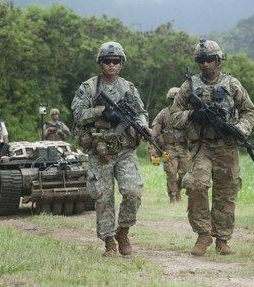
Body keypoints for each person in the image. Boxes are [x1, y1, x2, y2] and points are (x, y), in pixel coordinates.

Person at [170, 39, 254, 256]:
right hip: (202, 146)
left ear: (218, 60)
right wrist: (192, 114)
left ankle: (222, 239)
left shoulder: (231, 84)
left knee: (226, 193)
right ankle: (203, 234)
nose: (205, 64)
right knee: (195, 185)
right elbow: (174, 115)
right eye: (201, 60)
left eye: (209, 59)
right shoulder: (189, 86)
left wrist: (239, 129)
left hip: (227, 146)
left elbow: (248, 111)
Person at [71, 41, 147, 257]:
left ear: (121, 63)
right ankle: (109, 242)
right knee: (103, 197)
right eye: (107, 61)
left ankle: (123, 231)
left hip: (124, 150)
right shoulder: (88, 88)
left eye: (115, 61)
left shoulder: (129, 88)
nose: (111, 65)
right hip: (99, 149)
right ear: (100, 63)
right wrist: (101, 111)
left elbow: (141, 112)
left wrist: (142, 126)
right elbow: (78, 115)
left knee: (133, 191)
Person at [148, 87, 188, 203]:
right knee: (170, 173)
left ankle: (178, 190)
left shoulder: (186, 113)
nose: (174, 102)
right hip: (168, 149)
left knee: (184, 174)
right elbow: (154, 134)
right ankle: (173, 195)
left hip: (184, 149)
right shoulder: (163, 114)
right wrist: (153, 153)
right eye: (172, 99)